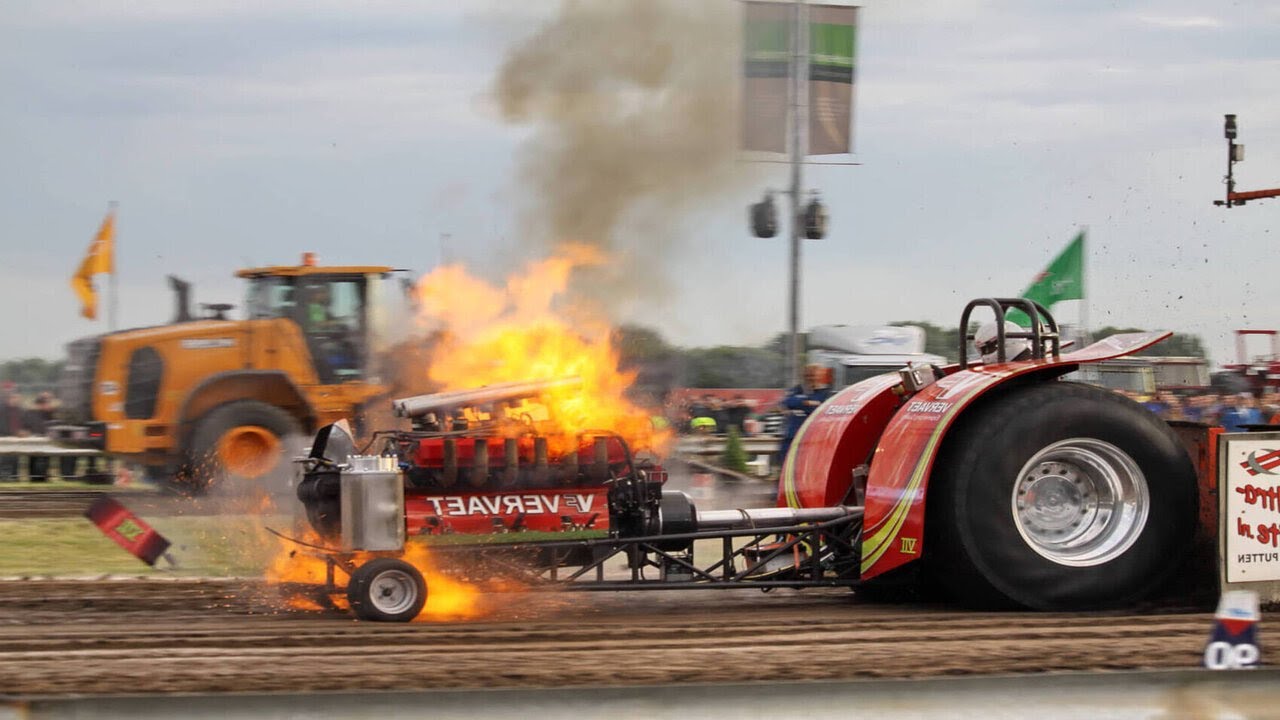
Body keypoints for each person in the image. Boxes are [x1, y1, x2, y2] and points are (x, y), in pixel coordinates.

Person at [777, 364, 833, 466]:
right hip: (792, 435)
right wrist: (807, 402)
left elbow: (821, 408)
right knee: (787, 465)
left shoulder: (826, 392)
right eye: (807, 375)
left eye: (813, 375)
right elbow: (786, 402)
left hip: (814, 437)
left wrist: (800, 404)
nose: (810, 378)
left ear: (820, 376)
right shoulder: (797, 389)